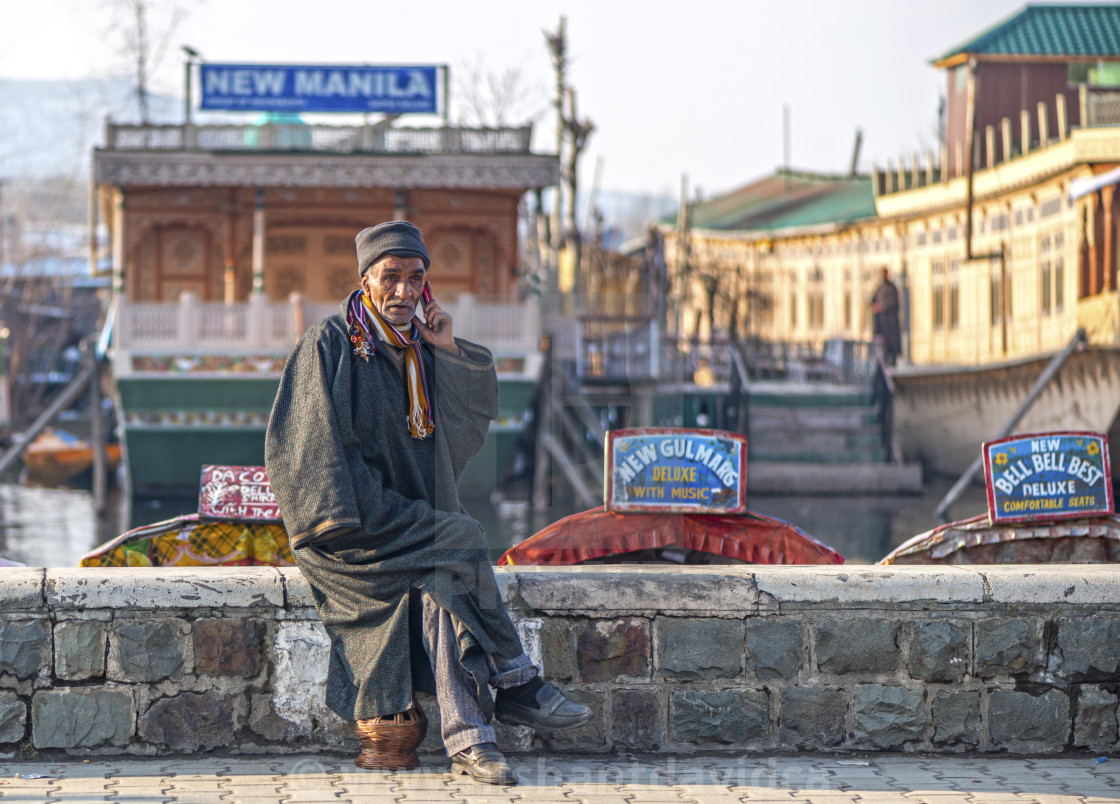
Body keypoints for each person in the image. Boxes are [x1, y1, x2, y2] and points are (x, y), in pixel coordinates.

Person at [265, 221, 591, 786]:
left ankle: (471, 742)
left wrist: (448, 350)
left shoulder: (419, 351)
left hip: (407, 528)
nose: (404, 291)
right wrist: (361, 518)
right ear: (365, 279)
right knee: (462, 535)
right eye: (390, 277)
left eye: (415, 278)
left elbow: (471, 418)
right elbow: (309, 450)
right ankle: (517, 683)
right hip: (350, 529)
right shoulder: (331, 344)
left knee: (446, 584)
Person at [870, 267, 901, 366]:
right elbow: (872, 301)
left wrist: (882, 307)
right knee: (882, 347)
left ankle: (892, 363)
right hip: (881, 324)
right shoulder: (879, 288)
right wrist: (874, 307)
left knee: (891, 347)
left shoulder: (892, 288)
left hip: (890, 324)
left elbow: (893, 303)